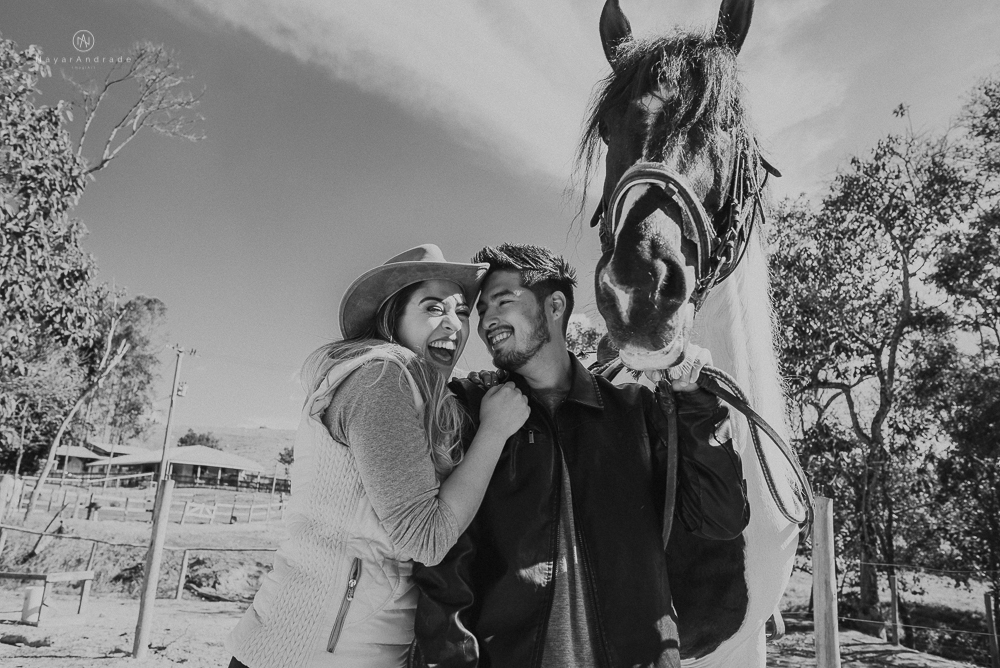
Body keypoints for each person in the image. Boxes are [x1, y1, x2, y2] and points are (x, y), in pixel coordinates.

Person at [411, 243, 751, 668]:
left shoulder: (636, 411)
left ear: (554, 305)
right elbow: (444, 570)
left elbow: (720, 519)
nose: (485, 323)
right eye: (481, 312)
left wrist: (696, 403)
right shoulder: (470, 408)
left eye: (502, 302)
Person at [227, 244, 530, 668]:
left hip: (350, 647)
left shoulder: (418, 390)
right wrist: (495, 431)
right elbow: (426, 539)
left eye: (462, 312)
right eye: (433, 308)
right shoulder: (381, 379)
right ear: (393, 316)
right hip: (311, 653)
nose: (454, 325)